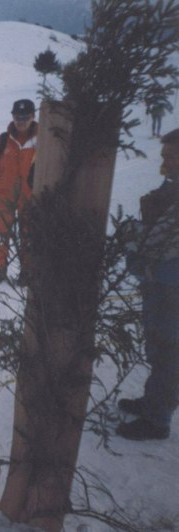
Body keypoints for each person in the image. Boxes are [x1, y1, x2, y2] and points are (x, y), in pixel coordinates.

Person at [117, 128, 179, 441]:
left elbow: (166, 249)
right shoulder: (171, 188)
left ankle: (158, 420)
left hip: (171, 289)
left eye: (170, 155)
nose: (164, 161)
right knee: (158, 347)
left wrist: (145, 266)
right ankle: (155, 401)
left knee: (169, 351)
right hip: (161, 288)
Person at [0, 99, 38, 284]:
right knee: (2, 233)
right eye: (16, 116)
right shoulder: (1, 141)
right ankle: (0, 269)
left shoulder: (43, 140)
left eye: (25, 117)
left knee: (28, 233)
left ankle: (27, 271)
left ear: (33, 116)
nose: (20, 121)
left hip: (30, 197)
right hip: (5, 196)